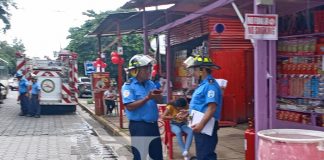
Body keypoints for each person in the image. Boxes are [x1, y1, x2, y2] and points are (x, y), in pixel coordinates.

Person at [121, 54, 163, 160]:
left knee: (157, 156)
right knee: (140, 156)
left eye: (149, 68)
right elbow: (129, 106)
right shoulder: (128, 86)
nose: (149, 71)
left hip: (153, 126)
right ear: (136, 71)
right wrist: (147, 98)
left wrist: (158, 96)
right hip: (139, 127)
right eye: (146, 69)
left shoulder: (151, 84)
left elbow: (160, 100)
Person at [183, 54, 223, 160]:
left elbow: (212, 108)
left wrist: (201, 125)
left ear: (202, 70)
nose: (194, 73)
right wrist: (188, 112)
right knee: (202, 154)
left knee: (206, 155)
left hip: (205, 126)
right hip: (201, 125)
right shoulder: (203, 84)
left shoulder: (210, 85)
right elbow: (201, 106)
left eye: (195, 70)